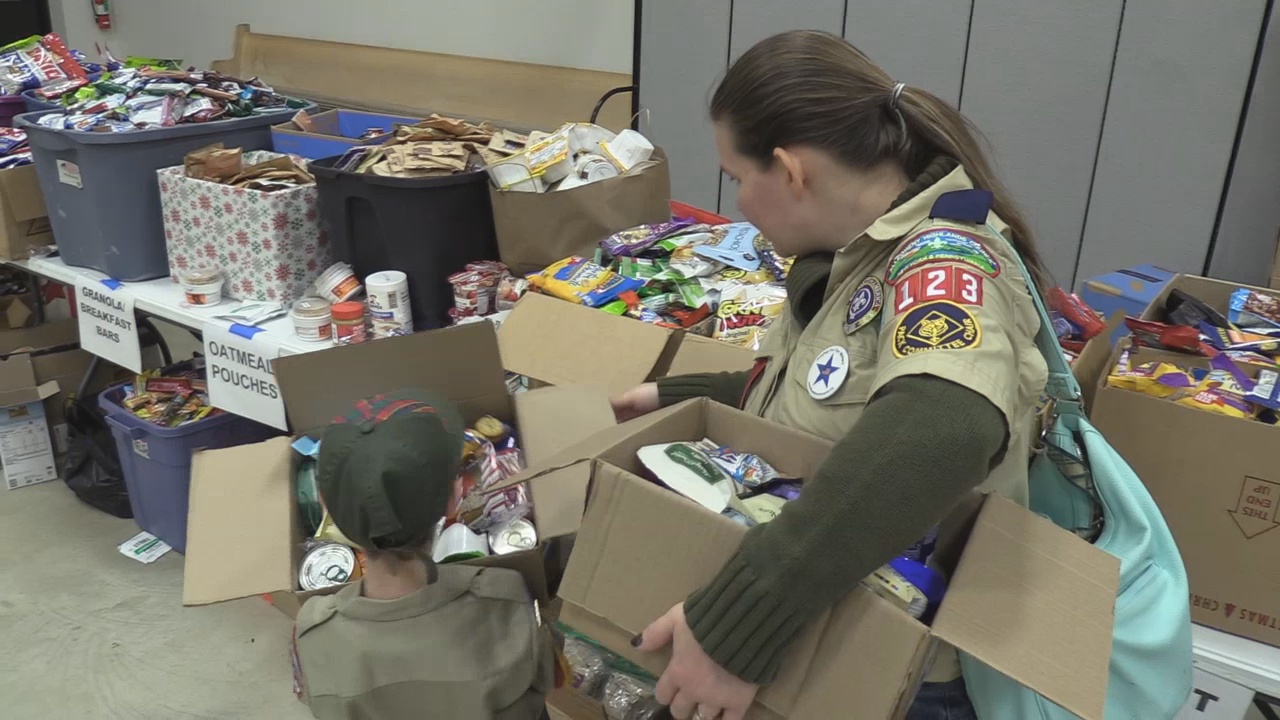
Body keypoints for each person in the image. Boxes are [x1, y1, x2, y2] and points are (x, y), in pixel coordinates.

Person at [613, 30, 1052, 720]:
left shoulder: (943, 260)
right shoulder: (852, 255)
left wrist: (739, 625)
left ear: (791, 171)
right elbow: (837, 390)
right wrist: (679, 396)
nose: (738, 204)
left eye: (737, 177)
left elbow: (943, 427)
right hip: (833, 631)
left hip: (896, 675)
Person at [290, 390, 555, 720]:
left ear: (324, 504)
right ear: (454, 499)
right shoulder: (506, 597)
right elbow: (549, 677)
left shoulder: (312, 633)